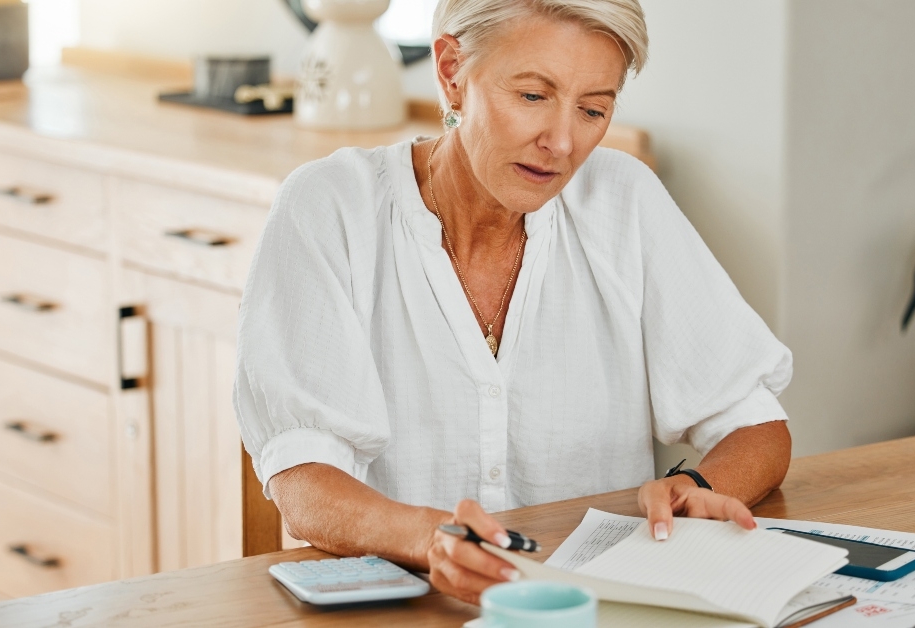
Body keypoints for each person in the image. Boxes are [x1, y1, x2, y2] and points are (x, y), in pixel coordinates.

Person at [234, 0, 793, 606]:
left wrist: (694, 489)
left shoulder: (624, 200)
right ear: (452, 70)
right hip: (406, 611)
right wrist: (431, 539)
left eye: (593, 109)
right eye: (532, 96)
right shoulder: (329, 207)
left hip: (591, 611)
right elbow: (304, 481)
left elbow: (755, 423)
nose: (561, 142)